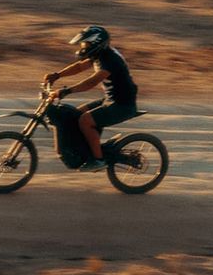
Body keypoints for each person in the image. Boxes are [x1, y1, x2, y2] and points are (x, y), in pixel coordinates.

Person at [43, 25, 140, 168]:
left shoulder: (110, 60)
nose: (83, 47)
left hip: (123, 104)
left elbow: (92, 82)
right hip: (111, 99)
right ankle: (86, 150)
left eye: (86, 44)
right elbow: (80, 66)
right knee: (76, 114)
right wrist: (57, 75)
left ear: (96, 43)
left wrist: (66, 91)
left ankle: (98, 159)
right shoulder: (100, 54)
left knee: (85, 121)